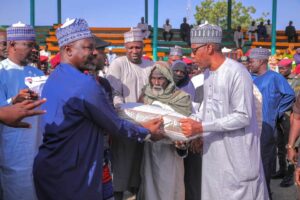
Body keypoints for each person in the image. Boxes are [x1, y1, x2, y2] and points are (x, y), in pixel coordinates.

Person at [33, 18, 164, 200]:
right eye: (88, 47)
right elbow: (114, 125)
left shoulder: (54, 78)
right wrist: (146, 131)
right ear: (68, 50)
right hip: (73, 174)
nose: (95, 53)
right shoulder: (84, 84)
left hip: (53, 168)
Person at [179, 23, 269, 199]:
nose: (192, 55)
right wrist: (196, 134)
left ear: (209, 47)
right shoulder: (207, 74)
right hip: (214, 157)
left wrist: (202, 128)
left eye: (195, 50)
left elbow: (243, 116)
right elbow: (210, 112)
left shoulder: (237, 72)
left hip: (237, 157)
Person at [106, 27, 154, 200]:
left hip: (147, 123)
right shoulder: (118, 64)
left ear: (143, 47)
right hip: (125, 123)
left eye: (137, 47)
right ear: (125, 48)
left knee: (141, 164)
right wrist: (127, 116)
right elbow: (115, 94)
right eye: (130, 48)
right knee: (122, 164)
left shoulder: (150, 65)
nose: (134, 51)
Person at [0, 21, 45, 200]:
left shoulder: (38, 74)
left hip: (37, 144)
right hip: (13, 149)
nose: (33, 50)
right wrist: (13, 100)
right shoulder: (1, 72)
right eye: (28, 45)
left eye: (33, 45)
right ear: (12, 45)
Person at [138, 61, 192, 200]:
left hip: (170, 154)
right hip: (150, 150)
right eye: (153, 78)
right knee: (150, 187)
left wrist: (181, 143)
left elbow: (186, 127)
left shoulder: (181, 98)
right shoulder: (146, 94)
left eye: (160, 78)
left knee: (170, 188)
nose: (156, 82)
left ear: (168, 78)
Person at [249, 48, 295, 198]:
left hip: (267, 126)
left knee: (265, 160)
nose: (250, 63)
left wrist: (277, 111)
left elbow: (289, 95)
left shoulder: (275, 78)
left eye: (252, 61)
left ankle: (266, 192)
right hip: (249, 126)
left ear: (262, 61)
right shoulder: (248, 77)